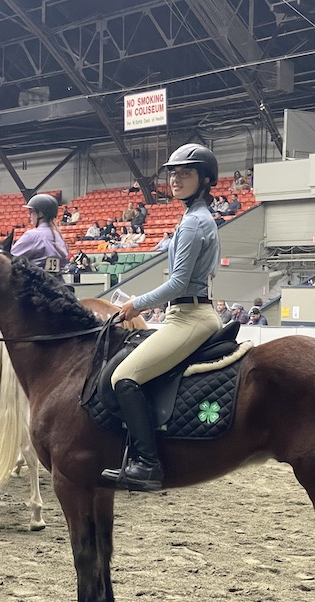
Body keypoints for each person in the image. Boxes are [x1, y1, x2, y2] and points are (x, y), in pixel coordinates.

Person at [101, 144, 222, 492]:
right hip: (184, 314)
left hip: (190, 317)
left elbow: (178, 283)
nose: (176, 179)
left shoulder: (194, 223)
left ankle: (148, 464)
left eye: (185, 173)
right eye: (173, 173)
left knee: (123, 377)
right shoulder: (193, 217)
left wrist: (137, 303)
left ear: (205, 180)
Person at [10, 194, 68, 271]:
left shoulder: (32, 235)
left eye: (32, 212)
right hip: (57, 280)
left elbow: (11, 258)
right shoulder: (59, 236)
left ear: (40, 214)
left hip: (36, 280)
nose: (29, 216)